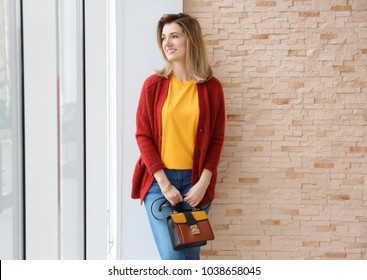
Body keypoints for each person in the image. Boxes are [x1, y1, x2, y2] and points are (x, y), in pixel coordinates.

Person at [131, 13, 225, 260]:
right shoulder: (153, 85)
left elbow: (216, 139)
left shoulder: (212, 88)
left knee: (190, 262)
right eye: (163, 37)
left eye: (174, 36)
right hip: (159, 185)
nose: (167, 43)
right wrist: (164, 184)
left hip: (196, 185)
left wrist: (203, 184)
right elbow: (143, 136)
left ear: (190, 40)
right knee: (174, 263)